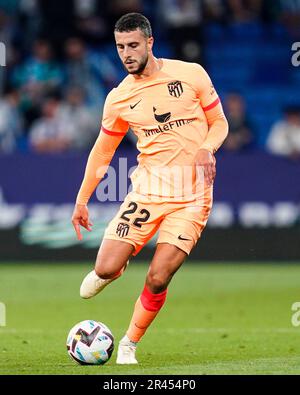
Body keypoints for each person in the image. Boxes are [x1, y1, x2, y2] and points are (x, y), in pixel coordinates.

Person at [71, 13, 228, 364]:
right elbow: (103, 152)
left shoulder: (190, 74)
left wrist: (206, 148)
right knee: (107, 269)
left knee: (158, 277)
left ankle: (129, 343)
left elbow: (219, 122)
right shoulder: (119, 98)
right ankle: (117, 264)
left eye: (132, 45)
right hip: (147, 193)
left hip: (192, 198)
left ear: (149, 42)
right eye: (120, 47)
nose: (126, 53)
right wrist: (82, 199)